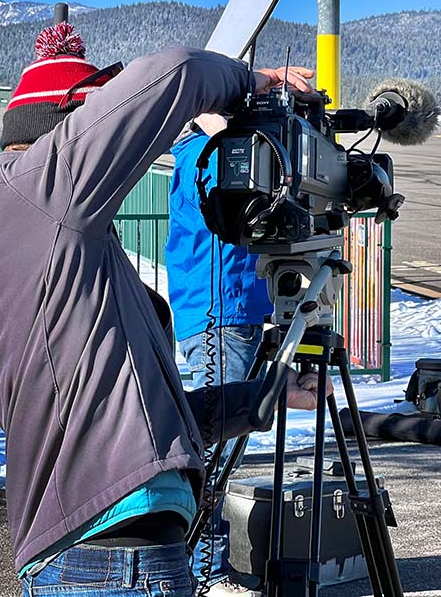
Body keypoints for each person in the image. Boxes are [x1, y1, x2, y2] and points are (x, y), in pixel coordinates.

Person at [0, 23, 328, 596]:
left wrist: (266, 397)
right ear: (70, 133)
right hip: (114, 562)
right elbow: (177, 71)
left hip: (96, 553)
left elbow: (127, 427)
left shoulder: (30, 244)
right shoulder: (40, 191)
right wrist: (254, 84)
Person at [165, 118, 274, 596]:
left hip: (236, 308)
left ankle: (203, 565)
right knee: (214, 449)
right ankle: (204, 571)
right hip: (218, 313)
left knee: (227, 442)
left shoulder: (213, 151)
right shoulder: (204, 156)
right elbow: (229, 213)